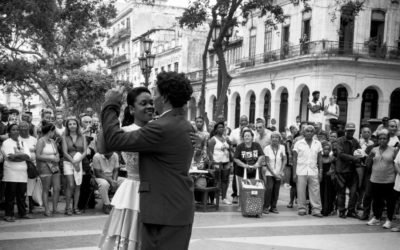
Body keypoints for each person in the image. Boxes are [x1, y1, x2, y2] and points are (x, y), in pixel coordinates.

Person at [101, 71, 194, 250]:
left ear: (165, 97)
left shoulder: (161, 127)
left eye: (156, 94)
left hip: (164, 211)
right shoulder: (182, 123)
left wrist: (111, 104)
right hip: (175, 207)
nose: (154, 100)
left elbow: (115, 140)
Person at [99, 87, 154, 249]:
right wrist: (108, 110)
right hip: (131, 190)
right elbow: (103, 148)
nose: (150, 106)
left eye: (151, 102)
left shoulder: (159, 129)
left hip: (154, 189)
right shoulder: (124, 132)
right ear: (131, 109)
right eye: (143, 103)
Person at [366, 129, 397, 229]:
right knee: (376, 200)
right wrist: (369, 159)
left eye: (384, 138)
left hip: (389, 180)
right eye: (380, 138)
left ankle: (389, 220)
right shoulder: (374, 149)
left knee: (389, 201)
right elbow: (368, 163)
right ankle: (377, 218)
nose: (382, 140)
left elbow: (396, 163)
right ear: (378, 140)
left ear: (388, 140)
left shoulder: (393, 150)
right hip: (375, 179)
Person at [1, 123, 33, 222]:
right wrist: (21, 156)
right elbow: (9, 157)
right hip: (11, 172)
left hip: (22, 172)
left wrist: (17, 156)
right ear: (9, 132)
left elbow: (28, 157)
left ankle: (22, 213)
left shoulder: (23, 143)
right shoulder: (6, 142)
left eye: (17, 129)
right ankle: (8, 214)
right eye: (13, 130)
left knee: (21, 194)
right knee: (10, 195)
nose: (16, 131)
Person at [293, 125, 323, 217]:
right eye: (307, 131)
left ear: (314, 133)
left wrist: (321, 171)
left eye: (311, 131)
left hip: (313, 171)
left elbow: (320, 159)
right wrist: (294, 173)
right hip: (301, 171)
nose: (309, 133)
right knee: (301, 191)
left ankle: (316, 210)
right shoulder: (298, 143)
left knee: (315, 191)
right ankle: (302, 208)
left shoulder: (317, 143)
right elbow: (294, 159)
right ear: (303, 133)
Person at [334, 122, 361, 219]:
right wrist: (354, 158)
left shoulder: (355, 141)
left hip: (352, 170)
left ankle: (351, 210)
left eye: (352, 131)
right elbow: (340, 154)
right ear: (345, 130)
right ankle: (341, 211)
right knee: (341, 192)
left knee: (354, 192)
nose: (350, 132)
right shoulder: (339, 141)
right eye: (349, 130)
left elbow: (359, 152)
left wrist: (361, 156)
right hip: (341, 170)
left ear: (354, 131)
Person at [233, 129, 264, 211]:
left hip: (254, 172)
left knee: (253, 189)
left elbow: (261, 156)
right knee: (241, 189)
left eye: (248, 135)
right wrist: (243, 165)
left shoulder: (256, 145)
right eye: (245, 136)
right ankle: (241, 206)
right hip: (241, 172)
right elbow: (236, 158)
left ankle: (251, 205)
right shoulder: (240, 146)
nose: (247, 137)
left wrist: (257, 163)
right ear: (243, 137)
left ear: (252, 137)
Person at [62, 117, 87, 215]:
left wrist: (78, 161)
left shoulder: (82, 137)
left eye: (74, 124)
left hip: (79, 161)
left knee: (77, 185)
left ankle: (75, 207)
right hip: (68, 162)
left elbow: (85, 151)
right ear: (67, 126)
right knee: (71, 185)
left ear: (77, 125)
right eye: (70, 124)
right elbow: (64, 152)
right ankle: (67, 207)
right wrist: (73, 162)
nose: (72, 126)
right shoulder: (64, 137)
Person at [36, 121, 61, 216]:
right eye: (53, 132)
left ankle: (55, 208)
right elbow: (38, 156)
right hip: (44, 167)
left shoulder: (52, 141)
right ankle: (47, 209)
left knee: (57, 188)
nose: (54, 134)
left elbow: (57, 152)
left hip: (54, 166)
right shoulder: (41, 141)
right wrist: (50, 158)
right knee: (46, 188)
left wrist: (57, 156)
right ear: (50, 131)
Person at [208, 122, 231, 205]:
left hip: (226, 161)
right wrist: (213, 163)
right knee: (216, 181)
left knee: (225, 180)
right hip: (217, 162)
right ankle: (214, 198)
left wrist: (229, 144)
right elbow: (210, 152)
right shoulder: (213, 139)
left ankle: (224, 197)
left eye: (222, 127)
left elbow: (229, 148)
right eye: (219, 127)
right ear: (216, 129)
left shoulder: (225, 138)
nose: (221, 128)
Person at [263, 131, 286, 214]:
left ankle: (273, 207)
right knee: (269, 188)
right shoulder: (267, 148)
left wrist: (281, 171)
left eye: (276, 137)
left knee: (276, 190)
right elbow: (267, 162)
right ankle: (266, 207)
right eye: (273, 137)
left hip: (279, 173)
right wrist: (274, 174)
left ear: (279, 139)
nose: (274, 139)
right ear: (270, 139)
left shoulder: (282, 147)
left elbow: (284, 159)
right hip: (270, 173)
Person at [18, 122, 38, 214]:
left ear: (29, 128)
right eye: (21, 127)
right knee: (22, 187)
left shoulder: (34, 139)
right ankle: (23, 207)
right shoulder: (16, 139)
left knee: (31, 185)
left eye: (25, 127)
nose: (23, 128)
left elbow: (37, 152)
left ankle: (31, 206)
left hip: (32, 166)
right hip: (20, 165)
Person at [230, 115, 249, 204]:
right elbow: (230, 143)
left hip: (249, 157)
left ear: (247, 122)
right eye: (242, 120)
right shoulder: (234, 132)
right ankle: (235, 195)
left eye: (245, 120)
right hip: (238, 157)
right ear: (239, 121)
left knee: (248, 176)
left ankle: (246, 194)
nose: (244, 122)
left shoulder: (251, 131)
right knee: (236, 176)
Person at [320, 141, 336, 216]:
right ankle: (321, 208)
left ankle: (328, 209)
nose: (326, 150)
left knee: (329, 194)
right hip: (321, 177)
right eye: (325, 149)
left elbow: (334, 168)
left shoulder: (332, 158)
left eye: (328, 149)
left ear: (330, 150)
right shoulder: (319, 158)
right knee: (321, 193)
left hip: (329, 178)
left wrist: (331, 171)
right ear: (322, 149)